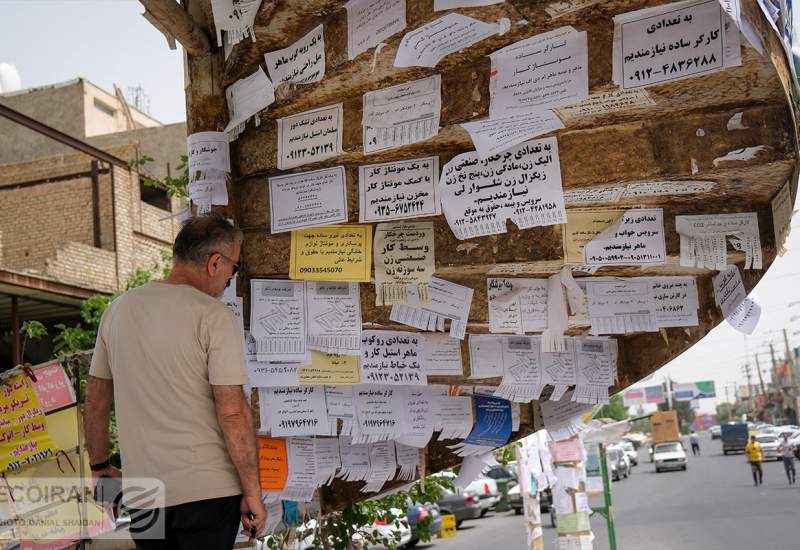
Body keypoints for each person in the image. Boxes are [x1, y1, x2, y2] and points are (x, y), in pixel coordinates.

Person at [84, 215, 266, 549]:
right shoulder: (213, 316)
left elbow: (95, 401)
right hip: (208, 494)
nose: (230, 278)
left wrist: (100, 466)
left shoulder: (117, 310)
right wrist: (252, 492)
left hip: (144, 497)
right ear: (215, 262)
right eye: (234, 268)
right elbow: (232, 412)